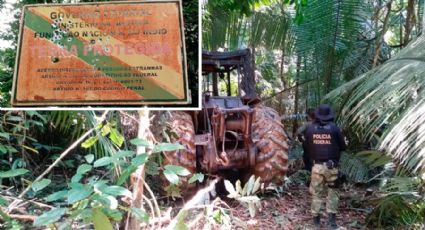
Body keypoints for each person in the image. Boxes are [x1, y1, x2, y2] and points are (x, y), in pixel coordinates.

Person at [304, 104, 346, 229]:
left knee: (316, 194)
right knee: (333, 193)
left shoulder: (310, 129)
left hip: (317, 167)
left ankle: (316, 222)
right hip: (331, 167)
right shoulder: (334, 128)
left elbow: (306, 147)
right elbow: (343, 146)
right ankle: (331, 223)